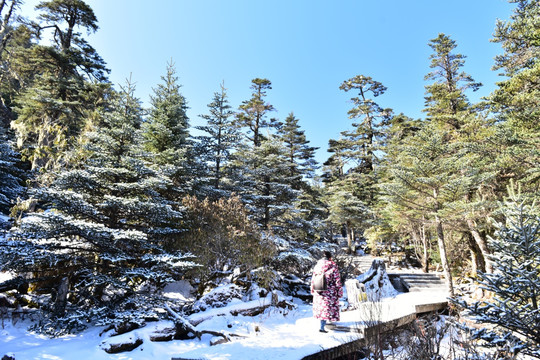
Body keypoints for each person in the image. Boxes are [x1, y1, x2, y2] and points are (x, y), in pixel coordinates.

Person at [310, 250, 343, 333]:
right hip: (330, 291)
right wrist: (339, 292)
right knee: (328, 308)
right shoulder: (333, 266)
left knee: (322, 308)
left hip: (319, 291)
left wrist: (312, 290)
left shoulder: (317, 266)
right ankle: (324, 326)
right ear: (330, 257)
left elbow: (313, 279)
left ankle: (323, 325)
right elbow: (337, 281)